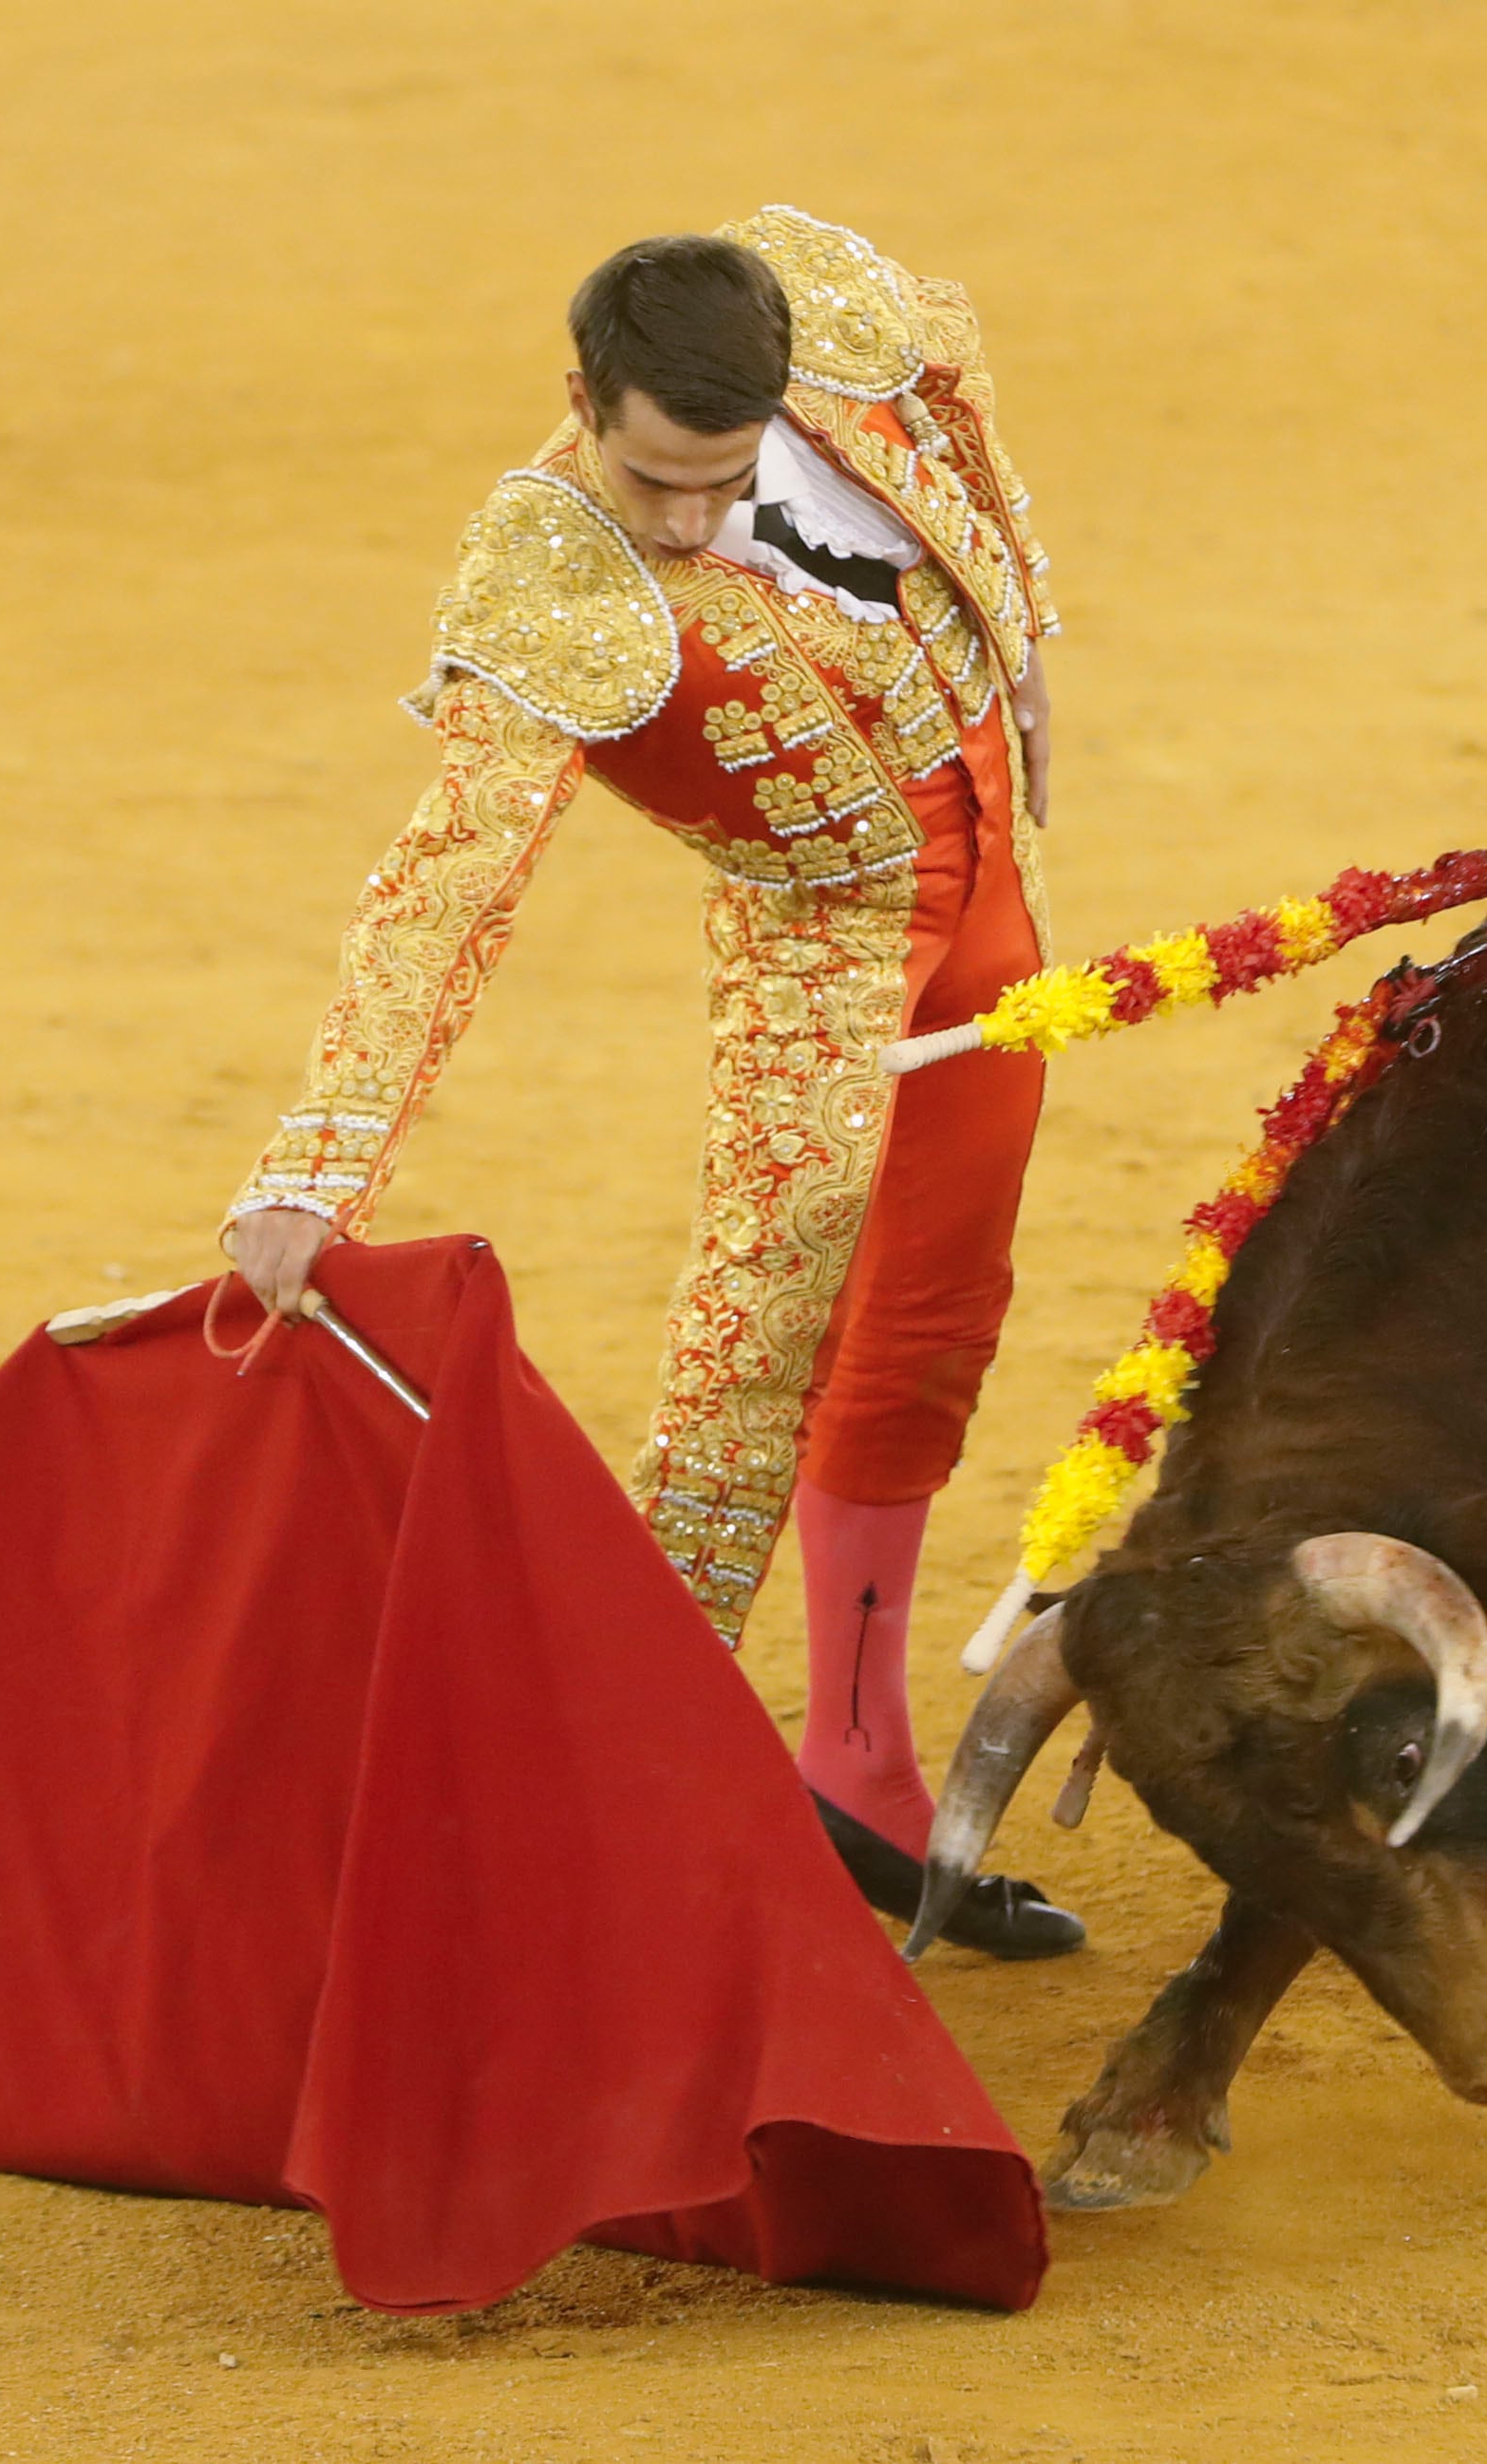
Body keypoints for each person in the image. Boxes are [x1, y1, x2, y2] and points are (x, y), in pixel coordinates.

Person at [220, 208, 1081, 1958]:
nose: (686, 524)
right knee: (741, 1379)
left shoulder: (826, 314)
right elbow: (446, 880)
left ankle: (859, 1770)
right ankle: (605, 1825)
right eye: (652, 482)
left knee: (933, 1321)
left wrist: (1025, 617)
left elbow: (949, 357)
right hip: (823, 944)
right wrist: (318, 1171)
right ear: (582, 404)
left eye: (720, 478)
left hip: (995, 892)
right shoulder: (544, 582)